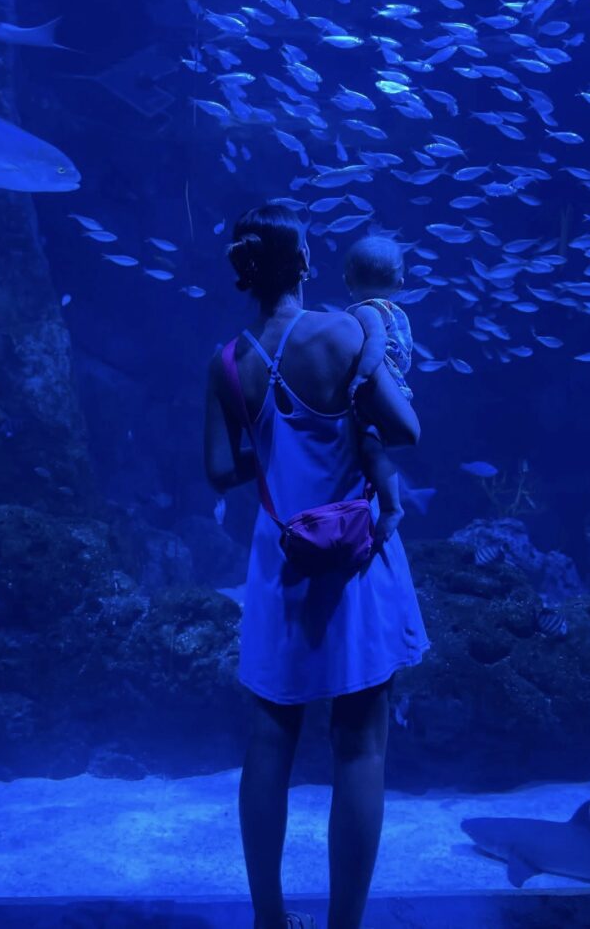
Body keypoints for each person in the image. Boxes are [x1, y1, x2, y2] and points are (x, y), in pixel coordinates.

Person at [204, 203, 431, 929]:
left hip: (279, 566)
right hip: (352, 566)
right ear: (303, 262)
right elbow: (405, 429)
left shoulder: (228, 360)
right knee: (358, 744)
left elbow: (219, 470)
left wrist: (277, 448)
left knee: (271, 737)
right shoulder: (341, 332)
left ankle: (269, 921)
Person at [343, 235, 414, 556]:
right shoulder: (392, 308)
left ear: (347, 280)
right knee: (373, 449)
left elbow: (373, 345)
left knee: (370, 448)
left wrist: (361, 374)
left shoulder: (367, 311)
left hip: (375, 385)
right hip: (391, 386)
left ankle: (391, 507)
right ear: (400, 282)